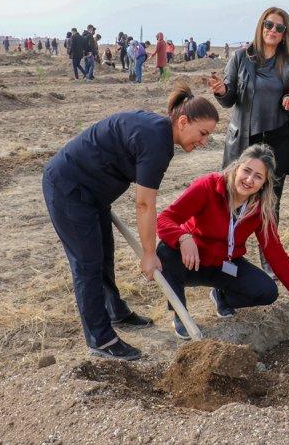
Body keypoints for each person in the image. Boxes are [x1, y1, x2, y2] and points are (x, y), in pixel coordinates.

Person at [42, 83, 220, 360]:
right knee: (87, 264)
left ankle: (115, 311)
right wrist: (149, 254)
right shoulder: (156, 142)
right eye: (203, 133)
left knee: (104, 256)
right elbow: (145, 204)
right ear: (183, 122)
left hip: (93, 193)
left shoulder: (160, 132)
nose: (204, 142)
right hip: (69, 190)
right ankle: (100, 339)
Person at [156, 144, 289, 337]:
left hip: (224, 265)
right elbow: (164, 219)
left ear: (265, 183)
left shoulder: (261, 208)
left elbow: (275, 253)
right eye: (247, 170)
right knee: (165, 251)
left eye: (258, 177)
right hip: (191, 260)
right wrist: (183, 237)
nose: (249, 180)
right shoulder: (208, 186)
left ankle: (222, 297)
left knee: (267, 291)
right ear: (237, 167)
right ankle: (180, 313)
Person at [208, 7, 289, 278]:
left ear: (285, 34)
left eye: (279, 28)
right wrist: (222, 91)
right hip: (244, 142)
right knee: (234, 200)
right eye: (269, 25)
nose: (273, 31)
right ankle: (226, 258)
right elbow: (229, 99)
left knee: (270, 204)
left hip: (278, 139)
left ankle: (269, 263)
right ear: (261, 26)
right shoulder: (240, 58)